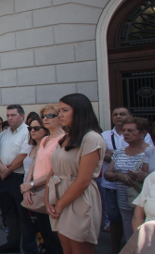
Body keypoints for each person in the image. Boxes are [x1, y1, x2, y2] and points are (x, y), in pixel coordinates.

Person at [44, 93, 106, 254]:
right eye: (59, 110)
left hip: (78, 198)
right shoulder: (65, 138)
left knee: (79, 248)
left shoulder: (92, 138)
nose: (60, 115)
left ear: (79, 111)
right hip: (58, 195)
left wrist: (60, 205)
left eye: (65, 110)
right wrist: (48, 199)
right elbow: (53, 171)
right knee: (67, 249)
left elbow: (83, 180)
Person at [0, 104, 37, 254]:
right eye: (8, 115)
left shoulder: (28, 132)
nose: (10, 118)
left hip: (19, 177)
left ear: (22, 116)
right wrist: (1, 168)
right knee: (9, 214)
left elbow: (23, 155)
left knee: (24, 216)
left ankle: (29, 248)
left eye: (13, 115)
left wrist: (8, 169)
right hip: (4, 178)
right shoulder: (4, 134)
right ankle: (12, 244)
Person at [20, 108, 64, 254]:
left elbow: (56, 170)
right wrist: (28, 186)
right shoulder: (45, 140)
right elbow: (34, 164)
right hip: (37, 190)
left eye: (50, 115)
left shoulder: (64, 139)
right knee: (43, 233)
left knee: (54, 235)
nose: (46, 118)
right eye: (44, 116)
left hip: (52, 189)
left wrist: (31, 184)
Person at [104, 116, 150, 241]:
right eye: (124, 130)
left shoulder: (151, 152)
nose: (126, 133)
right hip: (124, 200)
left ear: (143, 133)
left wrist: (144, 176)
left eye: (131, 130)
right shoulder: (119, 152)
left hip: (145, 201)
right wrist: (119, 176)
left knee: (146, 236)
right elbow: (107, 174)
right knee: (130, 235)